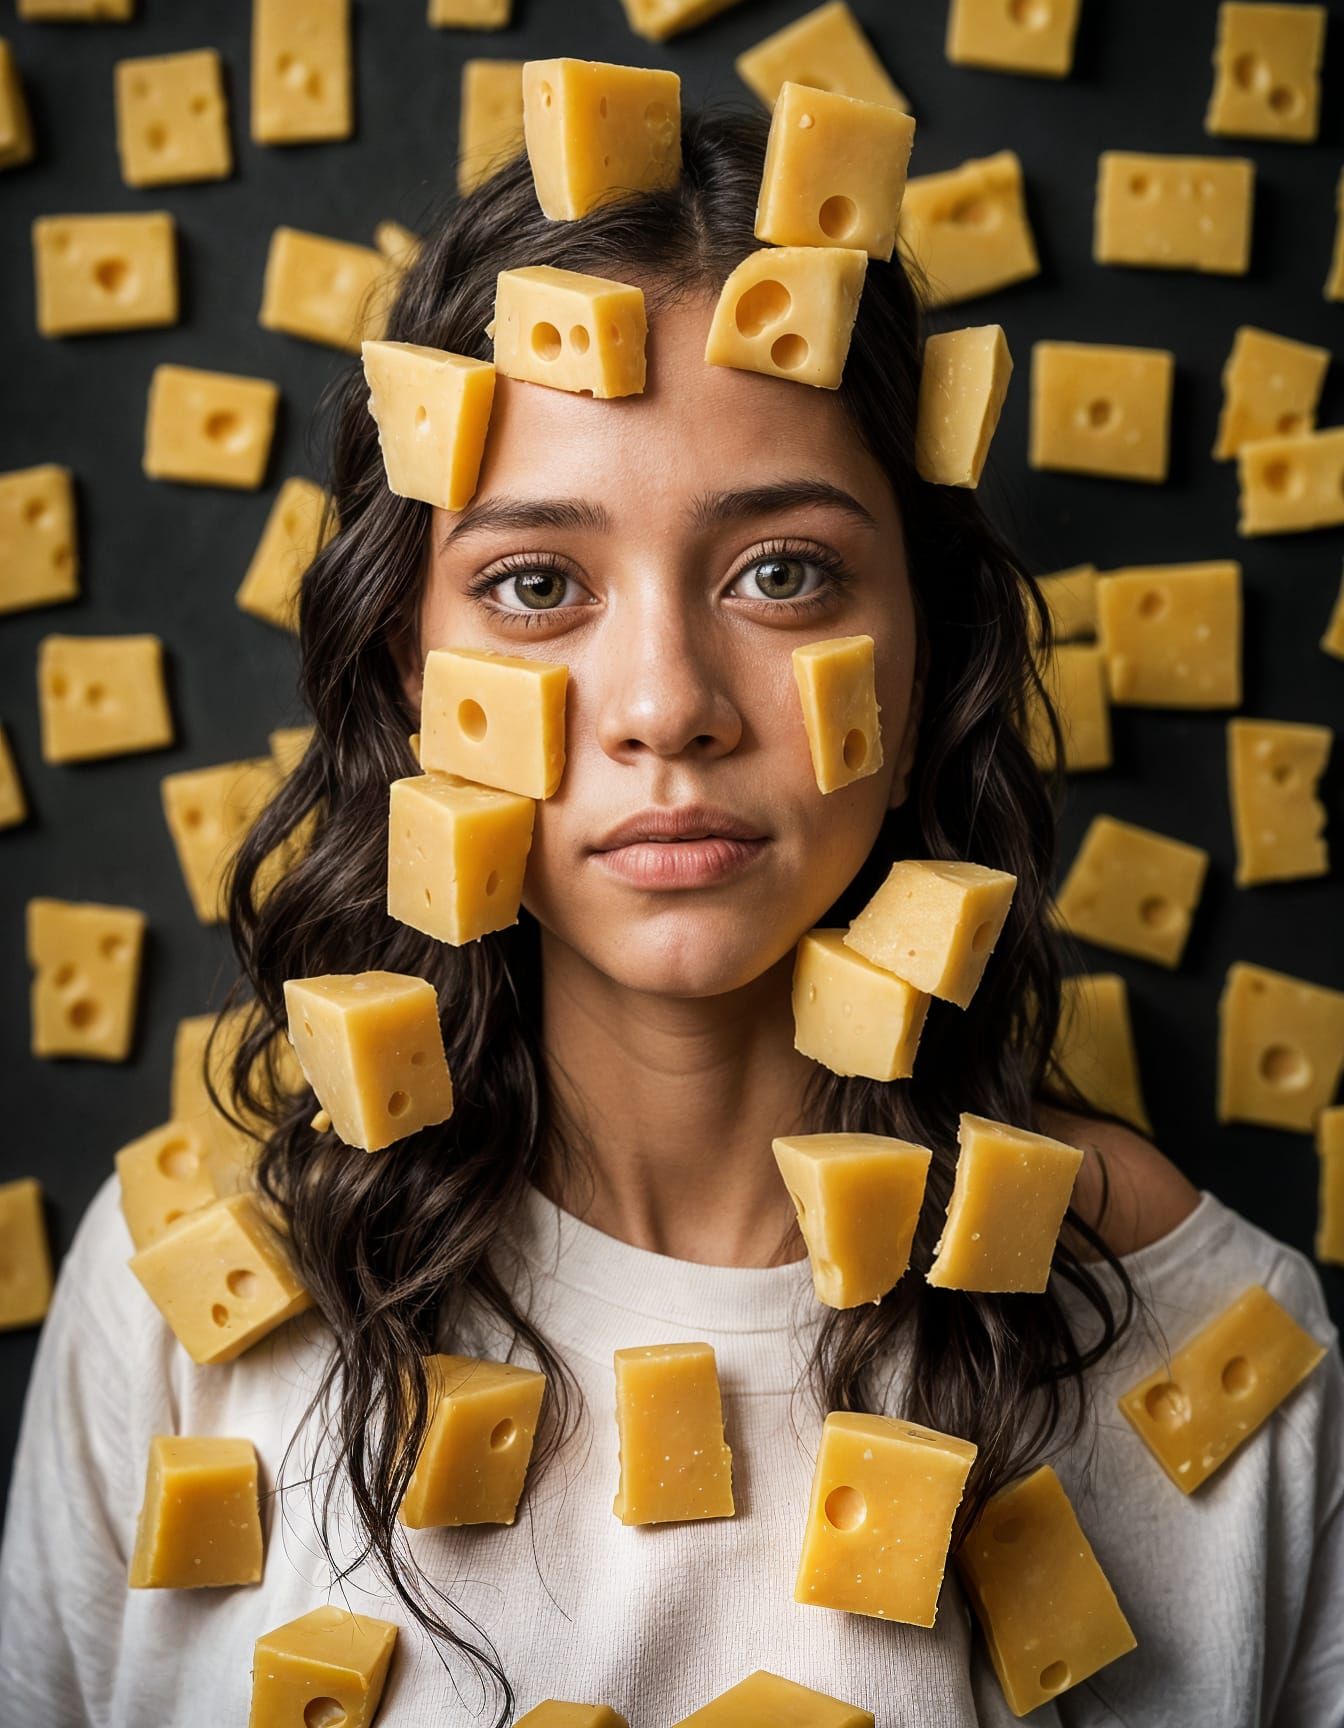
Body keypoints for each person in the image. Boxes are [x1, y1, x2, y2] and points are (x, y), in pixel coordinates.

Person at [2, 109, 1340, 1728]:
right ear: (416, 680)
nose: (665, 707)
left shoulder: (1217, 1342)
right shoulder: (181, 1309)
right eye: (536, 587)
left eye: (782, 575)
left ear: (924, 665)